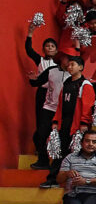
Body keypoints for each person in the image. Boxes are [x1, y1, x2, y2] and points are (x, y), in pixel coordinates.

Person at [42, 55, 94, 189]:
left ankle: (75, 182)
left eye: (73, 65)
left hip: (77, 125)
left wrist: (83, 123)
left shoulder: (85, 85)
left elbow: (87, 106)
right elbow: (60, 104)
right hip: (64, 123)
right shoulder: (66, 83)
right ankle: (52, 179)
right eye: (69, 65)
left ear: (81, 67)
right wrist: (55, 121)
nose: (69, 67)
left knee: (75, 154)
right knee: (59, 152)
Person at [25, 24, 65, 170]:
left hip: (60, 100)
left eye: (52, 46)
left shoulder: (66, 68)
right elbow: (29, 51)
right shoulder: (43, 64)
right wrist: (30, 33)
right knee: (41, 127)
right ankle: (41, 154)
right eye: (47, 46)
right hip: (44, 96)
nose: (49, 48)